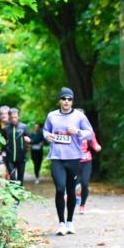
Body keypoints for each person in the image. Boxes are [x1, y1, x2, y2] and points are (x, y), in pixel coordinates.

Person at [44, 87, 94, 235]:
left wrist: (77, 132)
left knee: (71, 190)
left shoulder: (79, 116)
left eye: (69, 99)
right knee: (60, 188)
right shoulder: (52, 116)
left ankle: (70, 222)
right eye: (64, 98)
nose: (66, 101)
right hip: (57, 158)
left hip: (73, 158)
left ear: (72, 101)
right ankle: (61, 223)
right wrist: (47, 136)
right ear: (59, 100)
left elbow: (90, 134)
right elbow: (45, 130)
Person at [76, 129, 102, 214]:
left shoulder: (89, 132)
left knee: (85, 183)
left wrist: (97, 147)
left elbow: (94, 142)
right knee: (74, 183)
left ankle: (82, 205)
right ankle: (71, 196)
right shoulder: (71, 130)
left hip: (87, 161)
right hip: (74, 162)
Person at [5, 107, 30, 184]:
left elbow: (30, 138)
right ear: (9, 117)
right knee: (12, 179)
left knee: (20, 180)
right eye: (12, 117)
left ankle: (19, 195)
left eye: (15, 117)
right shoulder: (6, 128)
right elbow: (2, 141)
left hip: (21, 158)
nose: (14, 119)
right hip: (9, 158)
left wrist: (28, 139)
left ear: (18, 117)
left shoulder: (24, 127)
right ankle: (13, 195)